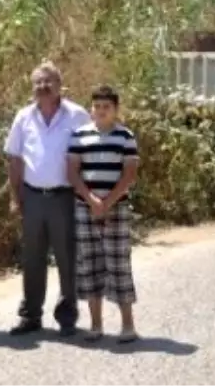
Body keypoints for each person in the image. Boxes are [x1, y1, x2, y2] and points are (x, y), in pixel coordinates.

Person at [4, 62, 92, 337]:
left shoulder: (77, 116)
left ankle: (67, 317)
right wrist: (15, 198)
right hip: (32, 196)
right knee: (32, 258)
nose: (43, 87)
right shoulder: (24, 116)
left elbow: (89, 155)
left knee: (67, 257)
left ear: (59, 85)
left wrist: (88, 194)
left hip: (64, 196)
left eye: (48, 82)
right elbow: (15, 159)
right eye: (38, 82)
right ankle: (30, 315)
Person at [68, 85, 141, 343]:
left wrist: (107, 202)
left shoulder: (125, 137)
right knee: (89, 265)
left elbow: (129, 174)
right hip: (84, 207)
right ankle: (96, 325)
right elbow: (73, 172)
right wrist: (91, 200)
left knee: (118, 264)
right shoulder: (79, 135)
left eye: (106, 107)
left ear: (116, 109)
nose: (101, 111)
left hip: (117, 208)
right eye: (97, 106)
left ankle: (128, 325)